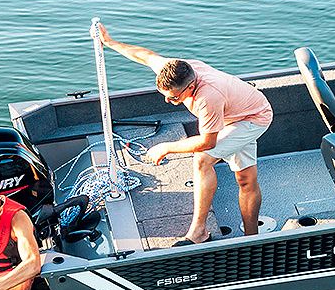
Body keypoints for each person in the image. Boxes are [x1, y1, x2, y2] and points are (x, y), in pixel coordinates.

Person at [96, 22, 273, 244]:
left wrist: (167, 147)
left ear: (190, 87)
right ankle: (252, 241)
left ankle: (200, 231)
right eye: (164, 95)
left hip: (253, 119)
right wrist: (110, 42)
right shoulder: (175, 69)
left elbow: (208, 142)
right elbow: (145, 55)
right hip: (235, 113)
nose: (168, 101)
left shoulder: (207, 98)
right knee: (245, 179)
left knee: (202, 160)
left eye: (174, 97)